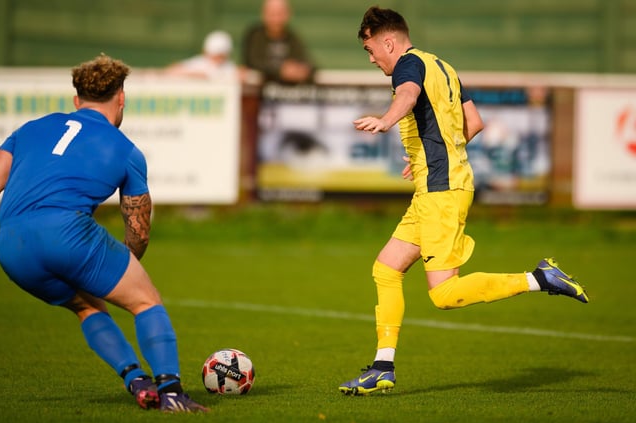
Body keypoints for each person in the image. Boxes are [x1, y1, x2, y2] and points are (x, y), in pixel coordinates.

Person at [338, 7, 589, 396]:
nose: (371, 58)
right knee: (386, 270)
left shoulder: (408, 66)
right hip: (436, 186)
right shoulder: (443, 66)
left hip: (442, 191)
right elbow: (474, 123)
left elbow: (407, 95)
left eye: (371, 49)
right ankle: (382, 368)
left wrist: (387, 120)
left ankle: (541, 279)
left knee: (444, 295)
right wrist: (428, 155)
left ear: (388, 41)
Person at [0, 54, 207, 413]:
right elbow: (138, 231)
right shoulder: (126, 150)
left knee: (85, 305)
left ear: (77, 100)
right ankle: (171, 392)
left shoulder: (28, 129)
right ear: (121, 97)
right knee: (145, 301)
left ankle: (137, 381)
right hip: (66, 233)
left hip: (10, 243)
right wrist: (119, 267)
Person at [242, 0, 315, 84]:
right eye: (272, 14)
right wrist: (281, 71)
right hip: (259, 91)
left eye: (279, 13)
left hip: (288, 92)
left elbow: (310, 64)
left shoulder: (293, 37)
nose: (276, 19)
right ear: (263, 14)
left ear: (288, 14)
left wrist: (301, 70)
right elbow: (252, 62)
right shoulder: (255, 35)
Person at [164, 30, 237, 81]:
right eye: (215, 57)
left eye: (221, 57)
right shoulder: (199, 63)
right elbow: (171, 71)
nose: (218, 60)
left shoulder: (229, 67)